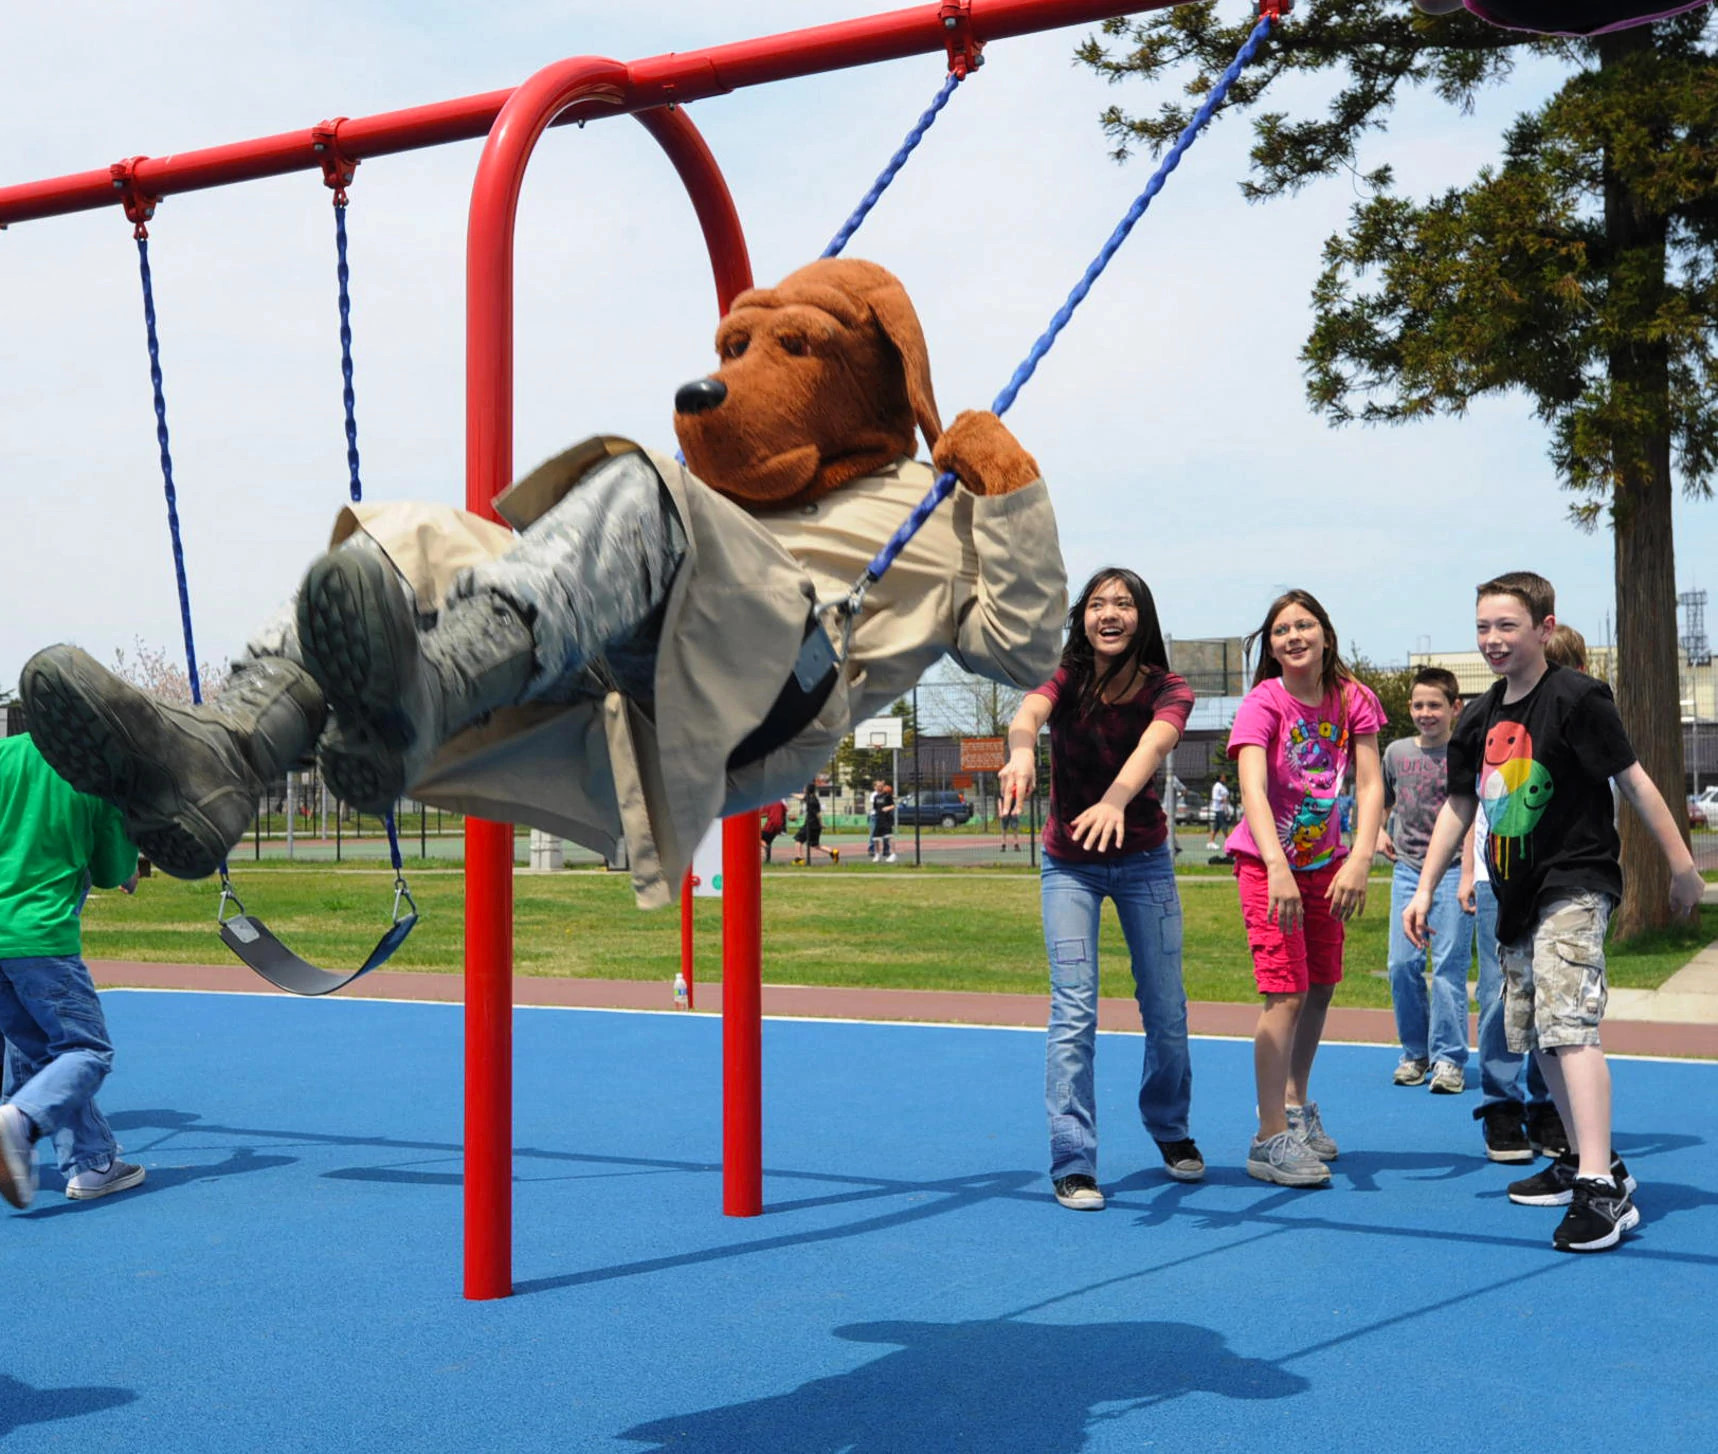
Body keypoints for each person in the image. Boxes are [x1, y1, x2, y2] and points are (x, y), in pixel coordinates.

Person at [1405, 571, 1703, 1253]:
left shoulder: (1577, 697)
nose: (1492, 639)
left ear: (1543, 628)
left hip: (1575, 881)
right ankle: (1579, 1159)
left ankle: (1603, 1189)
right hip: (1516, 896)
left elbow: (1632, 779)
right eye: (1483, 627)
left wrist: (1683, 866)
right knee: (1538, 1032)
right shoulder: (1478, 718)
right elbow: (1460, 805)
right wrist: (1425, 887)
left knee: (1569, 1025)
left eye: (1507, 625)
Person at [999, 567, 1202, 1211]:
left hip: (1144, 862)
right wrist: (1023, 749)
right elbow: (1029, 711)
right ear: (1081, 617)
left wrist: (1117, 799)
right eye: (1096, 603)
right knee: (1074, 1011)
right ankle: (1073, 1158)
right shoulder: (1067, 677)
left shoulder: (1170, 688)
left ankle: (1169, 1128)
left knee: (1166, 1010)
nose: (1108, 613)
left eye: (1122, 603)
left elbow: (1155, 742)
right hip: (1070, 867)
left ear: (1143, 616)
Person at [1226, 590, 1385, 1188]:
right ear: (1271, 646)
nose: (1293, 635)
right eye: (1281, 630)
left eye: (1304, 625)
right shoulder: (1264, 703)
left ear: (1325, 634)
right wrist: (1277, 867)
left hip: (1327, 864)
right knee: (1285, 993)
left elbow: (1369, 787)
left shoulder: (1353, 699)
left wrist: (1360, 857)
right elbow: (1254, 791)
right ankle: (1268, 1137)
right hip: (1269, 866)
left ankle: (1295, 1106)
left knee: (1320, 985)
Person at [0, 732, 146, 1209]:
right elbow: (110, 871)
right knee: (87, 1050)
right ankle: (19, 1118)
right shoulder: (100, 773)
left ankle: (92, 1162)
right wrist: (129, 863)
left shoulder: (6, 753)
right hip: (39, 937)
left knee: (35, 1046)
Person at [1382, 667, 1472, 1096]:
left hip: (1454, 870)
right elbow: (1378, 798)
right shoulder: (1396, 752)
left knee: (1449, 968)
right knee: (1402, 965)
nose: (1425, 712)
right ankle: (1415, 1053)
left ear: (1455, 708)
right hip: (1407, 869)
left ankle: (1449, 1058)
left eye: (1434, 705)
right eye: (1418, 705)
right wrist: (1378, 828)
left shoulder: (1465, 752)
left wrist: (1469, 873)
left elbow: (1474, 811)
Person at [792, 787, 840, 866]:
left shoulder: (811, 801)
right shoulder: (813, 798)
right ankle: (832, 852)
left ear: (808, 790)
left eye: (805, 788)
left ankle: (799, 859)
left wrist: (821, 824)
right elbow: (800, 796)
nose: (803, 790)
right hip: (815, 826)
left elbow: (818, 814)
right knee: (815, 845)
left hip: (810, 825)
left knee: (798, 840)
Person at [1205, 773, 1233, 851]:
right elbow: (1214, 797)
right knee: (1224, 826)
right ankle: (1229, 843)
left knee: (1216, 827)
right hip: (1219, 809)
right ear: (1220, 778)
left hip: (1223, 809)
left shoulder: (1223, 786)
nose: (1225, 778)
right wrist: (1222, 799)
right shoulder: (1217, 786)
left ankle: (1210, 842)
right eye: (1223, 777)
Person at [872, 781, 897, 864]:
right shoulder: (876, 797)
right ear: (875, 787)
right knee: (875, 838)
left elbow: (893, 806)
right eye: (878, 786)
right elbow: (875, 808)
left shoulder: (887, 796)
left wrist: (888, 808)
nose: (879, 787)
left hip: (887, 819)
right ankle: (877, 855)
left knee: (889, 837)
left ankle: (893, 854)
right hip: (879, 819)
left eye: (881, 786)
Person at [759, 799, 787, 864]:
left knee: (757, 838)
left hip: (771, 824)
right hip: (779, 825)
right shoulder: (781, 802)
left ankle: (765, 847)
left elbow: (763, 814)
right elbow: (785, 811)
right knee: (768, 841)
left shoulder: (768, 802)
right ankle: (768, 860)